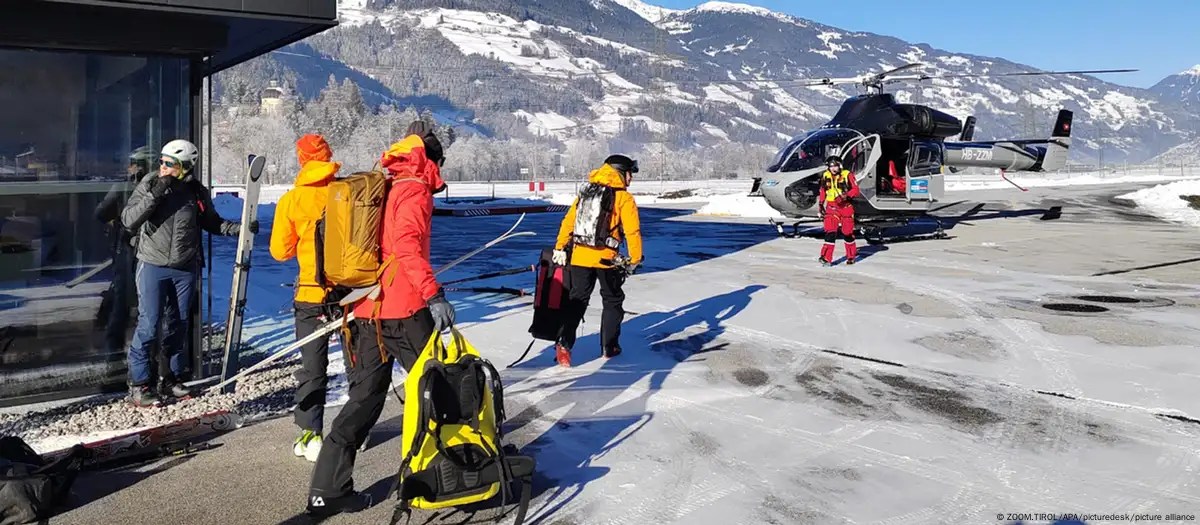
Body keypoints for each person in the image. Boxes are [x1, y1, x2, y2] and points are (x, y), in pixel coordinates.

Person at [306, 121, 456, 517]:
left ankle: (327, 489)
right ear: (432, 160)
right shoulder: (414, 190)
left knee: (365, 398)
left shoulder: (384, 185)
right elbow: (407, 247)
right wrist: (433, 294)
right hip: (403, 309)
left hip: (365, 310)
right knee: (438, 387)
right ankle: (447, 473)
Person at [120, 139, 256, 407]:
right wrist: (156, 192)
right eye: (161, 161)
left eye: (169, 163)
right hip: (152, 264)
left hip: (184, 267)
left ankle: (168, 378)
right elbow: (128, 220)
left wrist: (240, 228)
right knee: (149, 324)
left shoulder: (196, 192)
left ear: (185, 166)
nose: (163, 167)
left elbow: (212, 223)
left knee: (179, 324)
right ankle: (139, 384)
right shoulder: (150, 183)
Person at [269, 134, 342, 462]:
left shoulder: (292, 200)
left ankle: (311, 434)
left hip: (312, 295)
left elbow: (280, 251)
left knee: (313, 368)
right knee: (359, 364)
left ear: (301, 160)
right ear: (329, 157)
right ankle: (354, 429)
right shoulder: (346, 192)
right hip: (352, 292)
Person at [551, 154, 643, 368]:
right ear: (620, 172)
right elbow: (632, 231)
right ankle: (609, 347)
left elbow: (569, 222)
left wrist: (559, 246)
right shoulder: (623, 198)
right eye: (630, 173)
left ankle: (564, 342)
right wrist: (635, 259)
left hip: (580, 256)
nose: (631, 178)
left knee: (577, 300)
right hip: (607, 259)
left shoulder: (587, 193)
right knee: (612, 300)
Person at [94, 146, 155, 355]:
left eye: (133, 164)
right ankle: (140, 349)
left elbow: (102, 212)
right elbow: (102, 213)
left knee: (123, 299)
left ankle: (115, 347)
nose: (130, 168)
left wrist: (116, 222)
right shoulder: (157, 187)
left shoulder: (125, 186)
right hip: (144, 250)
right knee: (144, 301)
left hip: (129, 249)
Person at [818, 155, 860, 266]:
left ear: (839, 166)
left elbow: (856, 190)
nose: (833, 169)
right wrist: (821, 204)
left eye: (835, 166)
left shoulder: (847, 175)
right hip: (831, 207)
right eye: (831, 166)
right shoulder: (825, 176)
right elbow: (823, 190)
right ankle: (826, 258)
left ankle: (851, 255)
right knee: (830, 232)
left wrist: (846, 196)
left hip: (845, 207)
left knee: (847, 233)